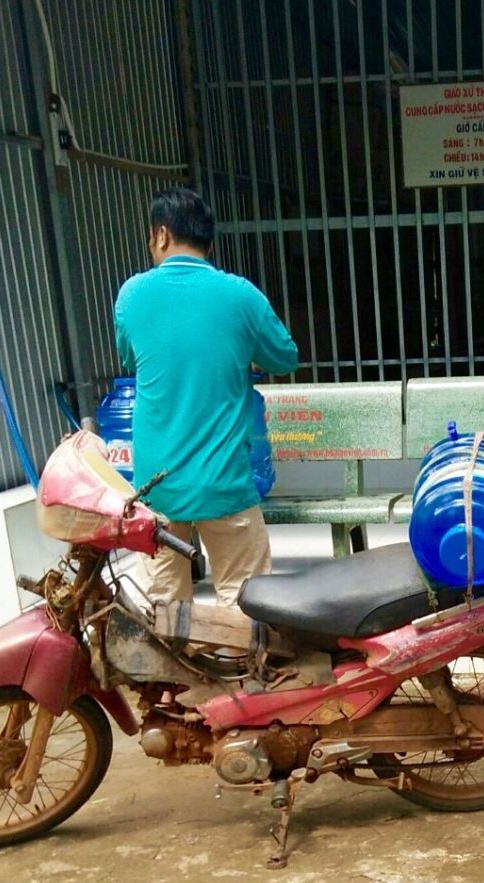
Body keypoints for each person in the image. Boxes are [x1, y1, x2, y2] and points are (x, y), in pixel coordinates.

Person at [114, 187, 299, 606]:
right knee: (246, 603)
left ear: (161, 235)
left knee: (163, 607)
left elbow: (129, 355)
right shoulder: (240, 295)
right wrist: (245, 354)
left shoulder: (132, 295)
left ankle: (172, 650)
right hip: (225, 482)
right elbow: (285, 356)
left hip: (157, 490)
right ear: (208, 243)